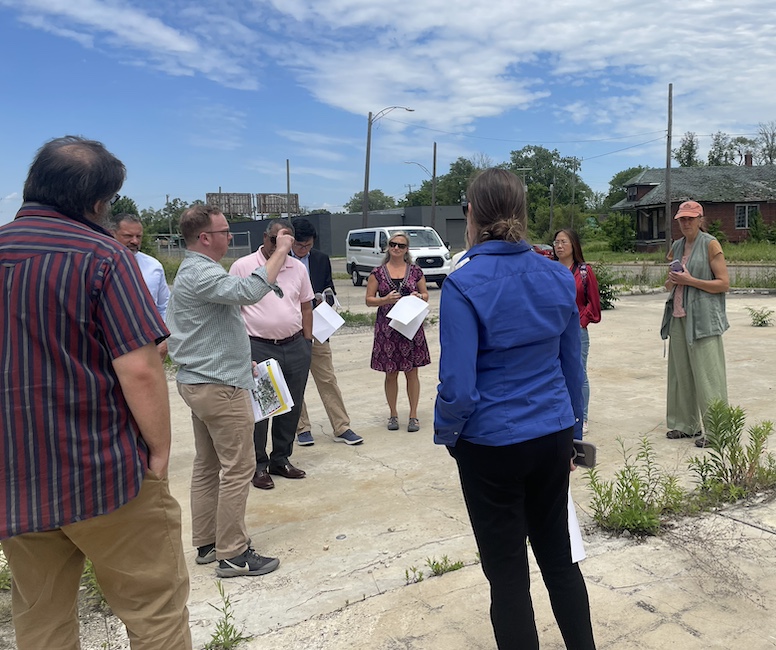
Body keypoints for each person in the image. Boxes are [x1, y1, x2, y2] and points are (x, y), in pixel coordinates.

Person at [0, 136, 192, 649]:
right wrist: (159, 453)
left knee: (40, 620)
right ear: (98, 201)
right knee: (155, 611)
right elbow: (142, 370)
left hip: (16, 479)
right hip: (105, 474)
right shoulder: (103, 255)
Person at [435, 168, 596, 650]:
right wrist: (573, 431)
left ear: (472, 214)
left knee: (507, 576)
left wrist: (448, 435)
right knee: (560, 560)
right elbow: (573, 369)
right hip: (550, 435)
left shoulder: (463, 283)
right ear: (522, 214)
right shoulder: (555, 275)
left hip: (490, 444)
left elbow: (459, 387)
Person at [167, 205, 292, 577]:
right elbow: (251, 290)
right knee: (238, 468)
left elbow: (210, 328)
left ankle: (208, 543)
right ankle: (234, 554)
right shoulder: (201, 270)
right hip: (219, 389)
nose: (228, 238)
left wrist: (240, 362)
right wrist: (281, 251)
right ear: (204, 237)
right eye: (223, 232)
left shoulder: (193, 271)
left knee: (207, 466)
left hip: (204, 380)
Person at [229, 220, 314, 490]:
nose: (283, 249)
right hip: (258, 346)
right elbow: (232, 311)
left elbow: (306, 306)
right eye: (278, 242)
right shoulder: (243, 266)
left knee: (291, 405)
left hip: (294, 345)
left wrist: (307, 342)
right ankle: (258, 464)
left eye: (287, 243)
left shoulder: (297, 267)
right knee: (261, 408)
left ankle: (281, 458)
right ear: (265, 238)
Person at [661, 200, 730, 448]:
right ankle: (685, 424)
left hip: (703, 319)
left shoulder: (711, 244)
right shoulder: (677, 246)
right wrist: (673, 280)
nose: (686, 223)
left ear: (701, 219)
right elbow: (671, 283)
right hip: (679, 316)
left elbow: (723, 284)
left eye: (691, 218)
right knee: (681, 373)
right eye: (682, 219)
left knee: (708, 374)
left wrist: (690, 280)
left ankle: (718, 430)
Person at [290, 217, 363, 446]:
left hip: (318, 327)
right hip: (290, 330)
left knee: (327, 378)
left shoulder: (320, 259)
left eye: (309, 246)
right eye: (300, 246)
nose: (304, 250)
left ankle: (341, 426)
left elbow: (328, 286)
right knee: (295, 381)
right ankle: (302, 428)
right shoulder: (280, 261)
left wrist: (326, 297)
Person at [365, 231, 431, 432]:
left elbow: (426, 294)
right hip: (388, 328)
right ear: (388, 246)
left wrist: (418, 295)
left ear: (406, 249)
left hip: (410, 326)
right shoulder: (377, 273)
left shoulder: (416, 271)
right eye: (393, 244)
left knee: (412, 372)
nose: (396, 248)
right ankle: (393, 414)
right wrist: (385, 300)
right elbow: (369, 299)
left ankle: (413, 415)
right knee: (391, 372)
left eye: (401, 245)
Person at [552, 229, 601, 434]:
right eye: (556, 242)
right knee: (555, 372)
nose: (559, 246)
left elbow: (594, 305)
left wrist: (580, 321)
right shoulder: (550, 270)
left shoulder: (583, 271)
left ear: (574, 246)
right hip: (553, 331)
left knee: (579, 373)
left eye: (564, 242)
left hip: (577, 331)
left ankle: (582, 415)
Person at [110, 212, 171, 358]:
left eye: (139, 236)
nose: (135, 241)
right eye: (128, 236)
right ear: (112, 234)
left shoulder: (153, 267)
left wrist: (164, 340)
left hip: (148, 345)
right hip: (111, 346)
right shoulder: (99, 265)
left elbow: (164, 305)